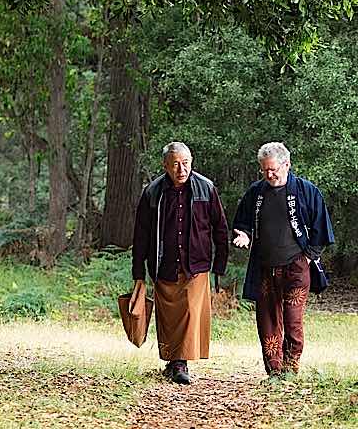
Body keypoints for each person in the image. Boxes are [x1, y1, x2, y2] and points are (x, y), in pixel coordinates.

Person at [232, 142, 334, 376]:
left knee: (293, 320)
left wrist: (308, 258)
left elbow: (321, 229)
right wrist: (244, 235)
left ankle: (291, 369)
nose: (269, 174)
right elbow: (242, 224)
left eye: (273, 169)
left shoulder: (307, 191)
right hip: (265, 267)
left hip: (296, 267)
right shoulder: (256, 192)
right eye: (264, 170)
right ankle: (274, 372)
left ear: (286, 165)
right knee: (267, 321)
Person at [131, 141, 229, 385]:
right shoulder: (153, 192)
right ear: (165, 166)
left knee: (189, 314)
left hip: (196, 265)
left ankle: (180, 363)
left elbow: (220, 228)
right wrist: (138, 271)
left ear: (191, 162)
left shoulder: (206, 189)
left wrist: (219, 265)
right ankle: (173, 361)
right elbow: (141, 234)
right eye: (175, 164)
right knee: (168, 317)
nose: (181, 169)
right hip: (163, 265)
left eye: (185, 163)